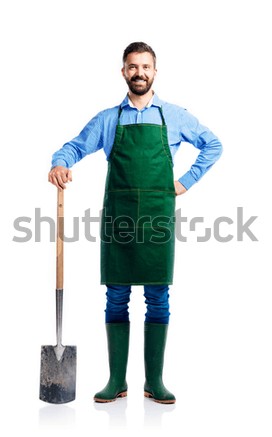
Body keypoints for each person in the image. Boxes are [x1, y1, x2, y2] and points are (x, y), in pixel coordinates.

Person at [48, 41, 223, 404]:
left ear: (155, 72)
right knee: (116, 297)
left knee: (158, 297)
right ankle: (116, 381)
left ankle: (154, 382)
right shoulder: (109, 119)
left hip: (157, 217)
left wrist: (185, 182)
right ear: (123, 71)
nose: (139, 72)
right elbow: (75, 146)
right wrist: (60, 163)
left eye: (145, 66)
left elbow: (213, 145)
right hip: (120, 217)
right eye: (132, 66)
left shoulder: (174, 116)